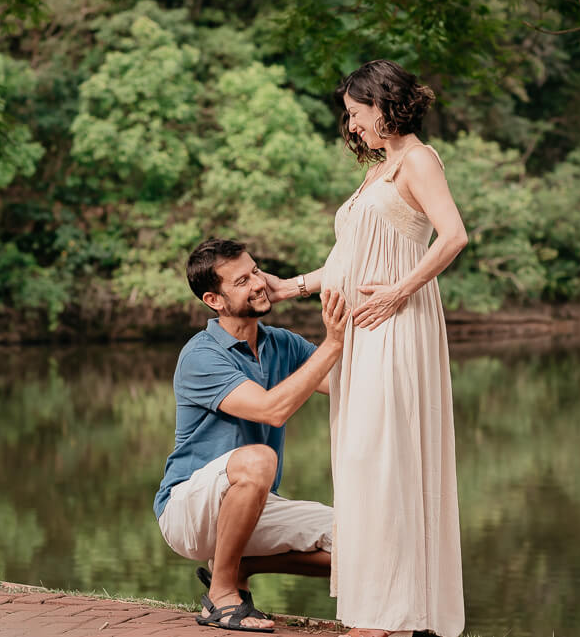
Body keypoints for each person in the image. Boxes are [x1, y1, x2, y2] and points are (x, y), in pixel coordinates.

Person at [264, 59, 468, 637]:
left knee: (384, 463)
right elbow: (347, 260)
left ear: (383, 105)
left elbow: (453, 235)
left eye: (355, 114)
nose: (351, 126)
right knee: (365, 466)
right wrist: (291, 286)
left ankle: (385, 618)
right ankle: (385, 612)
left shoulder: (418, 160)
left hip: (397, 329)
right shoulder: (378, 172)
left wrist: (399, 292)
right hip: (364, 333)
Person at [155, 237, 348, 633]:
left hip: (254, 508)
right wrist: (333, 344)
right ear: (215, 300)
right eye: (241, 281)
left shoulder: (282, 343)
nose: (257, 283)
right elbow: (271, 411)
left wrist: (296, 286)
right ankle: (222, 597)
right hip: (188, 509)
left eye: (256, 271)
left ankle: (244, 563)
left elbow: (344, 383)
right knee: (258, 457)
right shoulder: (201, 355)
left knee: (364, 539)